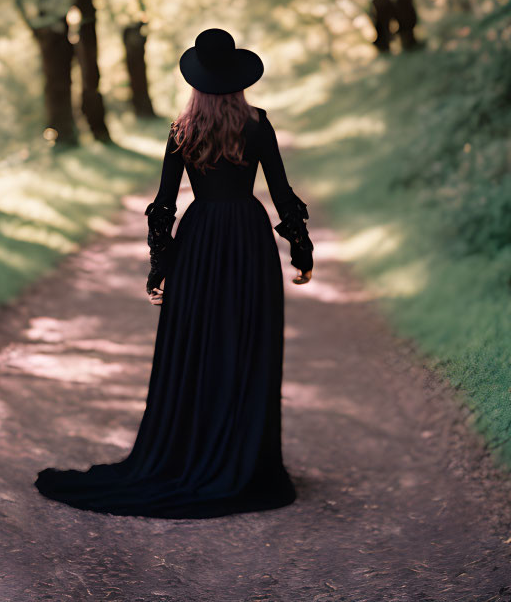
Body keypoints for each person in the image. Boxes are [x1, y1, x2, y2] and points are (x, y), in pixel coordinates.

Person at [34, 27, 313, 518]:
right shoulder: (257, 124)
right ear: (238, 78)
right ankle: (243, 459)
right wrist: (301, 251)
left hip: (201, 239)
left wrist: (159, 267)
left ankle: (190, 452)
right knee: (246, 343)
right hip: (247, 239)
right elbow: (281, 192)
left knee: (197, 346)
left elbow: (164, 204)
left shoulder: (182, 128)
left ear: (197, 81)